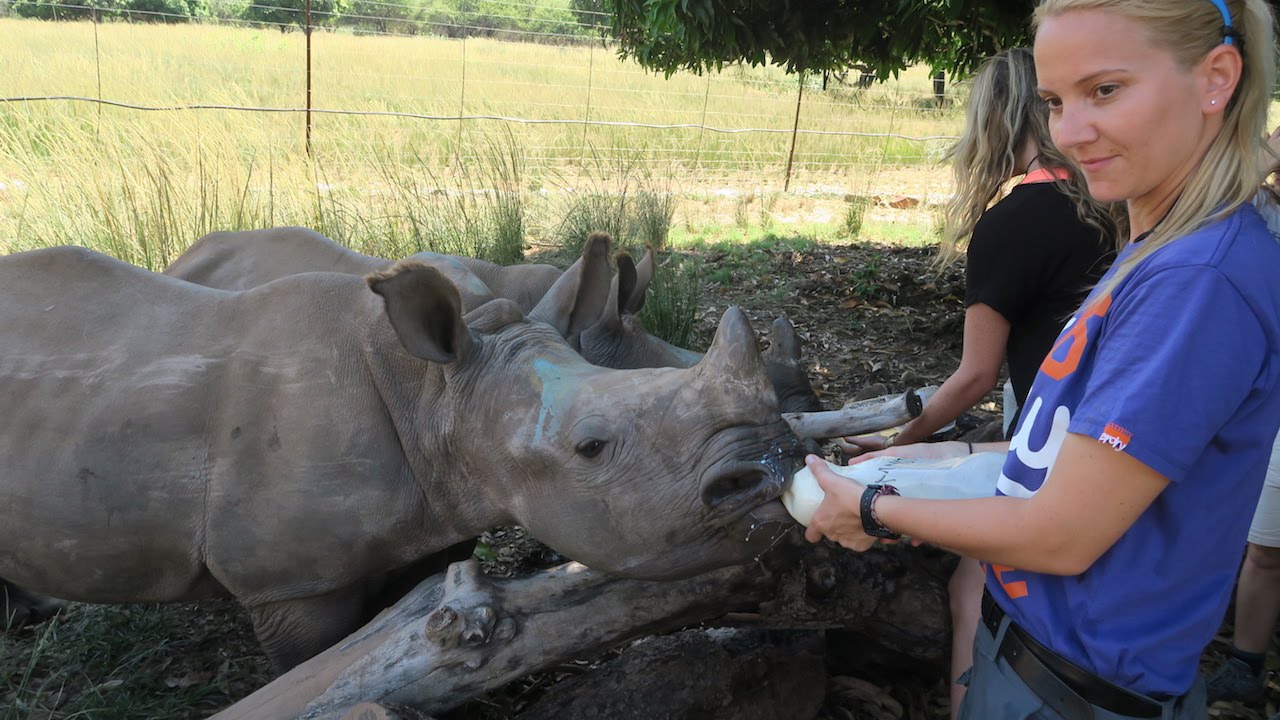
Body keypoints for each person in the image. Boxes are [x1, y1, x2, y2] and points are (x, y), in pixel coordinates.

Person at [805, 1, 1280, 718]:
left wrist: (873, 507)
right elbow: (1063, 456)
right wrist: (911, 466)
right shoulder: (1158, 248)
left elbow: (1063, 534)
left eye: (1106, 91)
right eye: (1056, 101)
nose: (1072, 131)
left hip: (1071, 691)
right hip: (1037, 664)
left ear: (1216, 78)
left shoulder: (1197, 281)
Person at [845, 47, 1115, 719]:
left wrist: (899, 443)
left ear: (992, 119)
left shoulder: (1011, 224)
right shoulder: (1114, 211)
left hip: (1051, 446)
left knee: (975, 584)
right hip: (1111, 435)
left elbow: (973, 377)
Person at [1204, 128, 1280, 707]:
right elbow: (1213, 200)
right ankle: (1247, 664)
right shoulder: (1260, 210)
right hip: (1266, 399)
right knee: (1265, 544)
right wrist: (1271, 151)